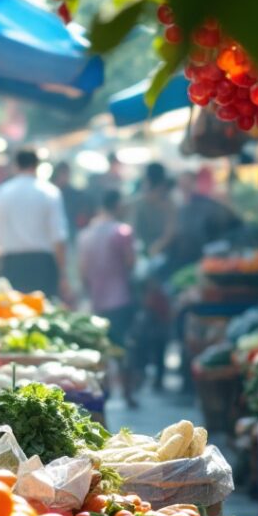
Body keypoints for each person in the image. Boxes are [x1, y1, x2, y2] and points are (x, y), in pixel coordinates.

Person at [78, 189, 139, 407]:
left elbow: (82, 272)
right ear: (118, 205)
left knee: (101, 347)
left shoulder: (85, 234)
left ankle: (104, 391)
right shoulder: (121, 232)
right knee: (123, 347)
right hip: (120, 297)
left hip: (97, 299)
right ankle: (128, 393)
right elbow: (131, 263)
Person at [0, 148, 70, 298]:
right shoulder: (50, 192)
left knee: (15, 313)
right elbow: (58, 237)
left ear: (15, 165)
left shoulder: (2, 193)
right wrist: (63, 274)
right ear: (37, 165)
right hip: (42, 265)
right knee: (44, 314)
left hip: (11, 264)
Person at [129, 162, 177, 256]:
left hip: (163, 252)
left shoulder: (168, 203)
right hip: (153, 251)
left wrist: (157, 247)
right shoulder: (140, 202)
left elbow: (171, 231)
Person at [51, 161, 95, 235]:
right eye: (63, 173)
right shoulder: (49, 192)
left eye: (66, 173)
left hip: (71, 232)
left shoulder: (75, 195)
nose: (66, 176)